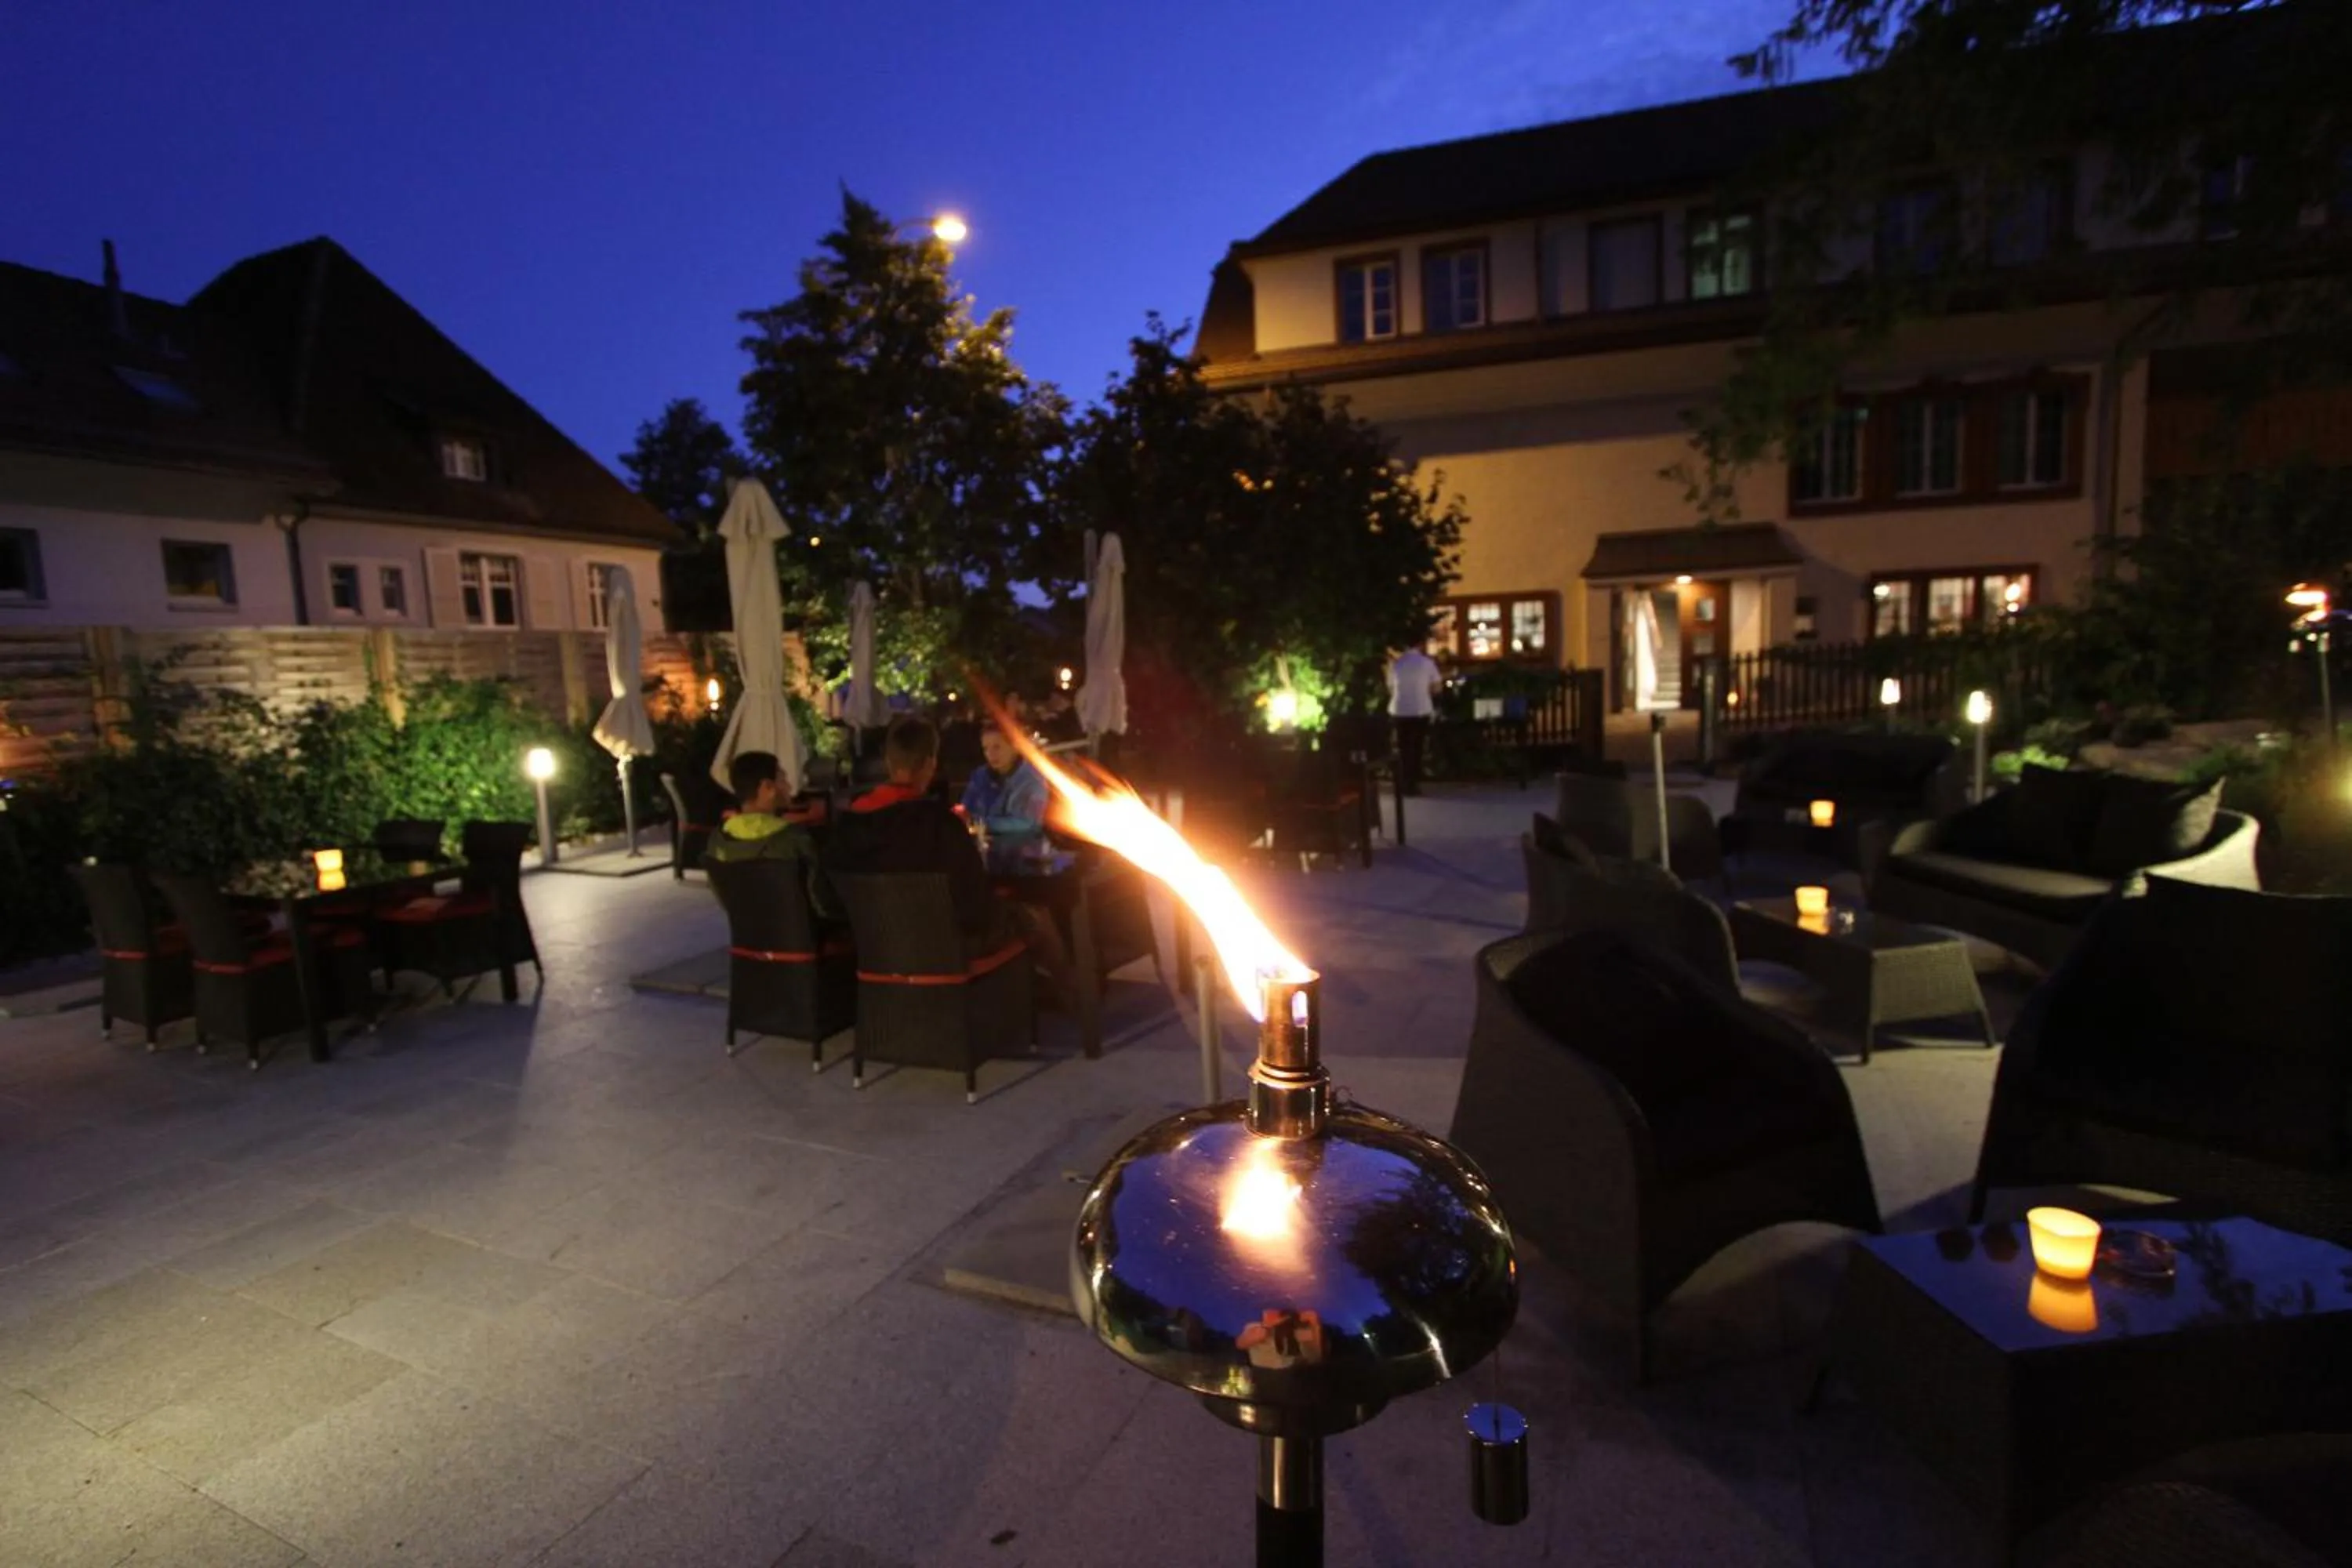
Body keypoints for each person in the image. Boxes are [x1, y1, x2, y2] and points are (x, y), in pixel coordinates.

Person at [823, 717, 1069, 984]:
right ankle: (1068, 994)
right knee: (1035, 916)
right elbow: (975, 908)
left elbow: (832, 899)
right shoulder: (939, 827)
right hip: (947, 955)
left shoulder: (849, 823)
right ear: (931, 764)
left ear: (888, 762)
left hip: (877, 958)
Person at [960, 719, 1048, 833]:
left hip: (1022, 843)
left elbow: (1027, 823)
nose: (990, 754)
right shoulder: (981, 776)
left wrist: (985, 825)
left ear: (1015, 747)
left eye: (997, 747)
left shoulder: (1031, 779)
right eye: (986, 748)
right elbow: (967, 808)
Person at [1387, 643, 1444, 796]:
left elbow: (1391, 688)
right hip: (1420, 709)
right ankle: (1413, 782)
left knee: (1403, 747)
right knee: (1417, 747)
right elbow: (1437, 687)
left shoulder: (1396, 664)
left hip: (1399, 710)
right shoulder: (1427, 663)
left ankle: (1403, 781)